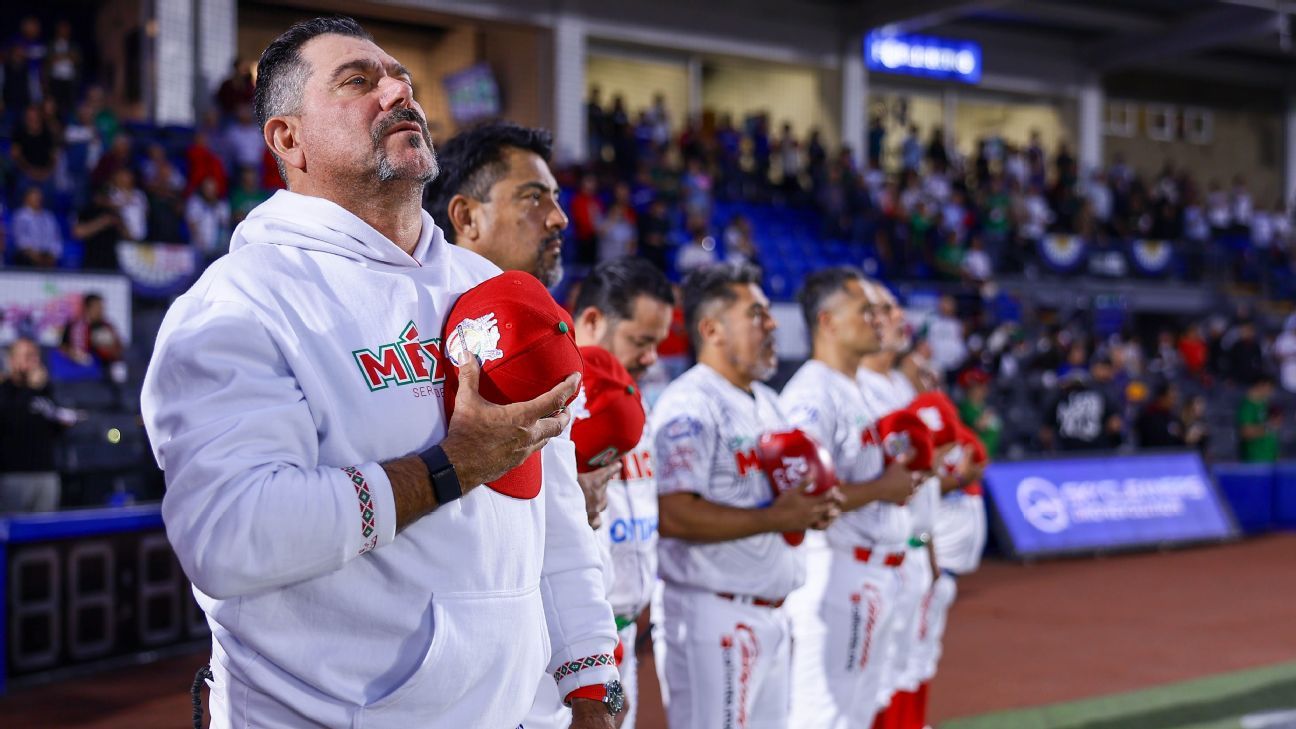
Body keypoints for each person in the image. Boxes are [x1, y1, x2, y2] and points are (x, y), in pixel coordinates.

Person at [140, 17, 621, 728]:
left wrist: (591, 681)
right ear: (288, 139)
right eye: (358, 82)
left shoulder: (490, 286)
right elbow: (231, 535)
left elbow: (553, 510)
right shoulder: (241, 302)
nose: (399, 92)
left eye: (402, 79)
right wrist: (451, 466)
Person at [652, 262, 842, 729]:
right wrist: (778, 517)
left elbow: (783, 500)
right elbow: (673, 514)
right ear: (712, 330)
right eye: (756, 314)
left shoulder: (767, 402)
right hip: (714, 613)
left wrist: (813, 507)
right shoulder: (689, 404)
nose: (772, 324)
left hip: (769, 614)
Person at [780, 267, 918, 727]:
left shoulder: (856, 386)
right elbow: (801, 498)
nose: (878, 320)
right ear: (828, 321)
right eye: (865, 311)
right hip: (835, 568)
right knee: (824, 716)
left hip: (872, 569)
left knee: (857, 712)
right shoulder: (812, 394)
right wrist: (884, 487)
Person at [555, 257, 675, 729]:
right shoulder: (552, 403)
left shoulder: (634, 401)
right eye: (641, 342)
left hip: (624, 633)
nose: (651, 358)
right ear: (591, 320)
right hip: (570, 644)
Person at [422, 121, 568, 288]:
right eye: (534, 197)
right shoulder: (421, 303)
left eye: (555, 196)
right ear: (466, 217)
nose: (560, 219)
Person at [1, 337, 78, 512]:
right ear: (12, 361)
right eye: (28, 356)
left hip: (46, 473)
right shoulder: (5, 391)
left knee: (45, 526)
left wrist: (62, 423)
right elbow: (12, 423)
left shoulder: (45, 389)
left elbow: (49, 426)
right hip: (15, 476)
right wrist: (31, 389)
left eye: (36, 356)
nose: (34, 361)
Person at [12, 186, 63, 267]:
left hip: (48, 256)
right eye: (35, 197)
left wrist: (53, 255)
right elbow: (20, 240)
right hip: (28, 255)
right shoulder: (20, 216)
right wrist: (35, 255)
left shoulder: (49, 216)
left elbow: (56, 238)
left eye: (39, 197)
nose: (38, 199)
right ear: (26, 199)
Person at [1237, 377, 1279, 463]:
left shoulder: (1265, 405)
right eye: (1269, 388)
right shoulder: (1248, 406)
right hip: (1255, 459)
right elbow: (1245, 432)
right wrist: (1268, 427)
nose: (1270, 392)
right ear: (1260, 385)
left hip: (1270, 459)